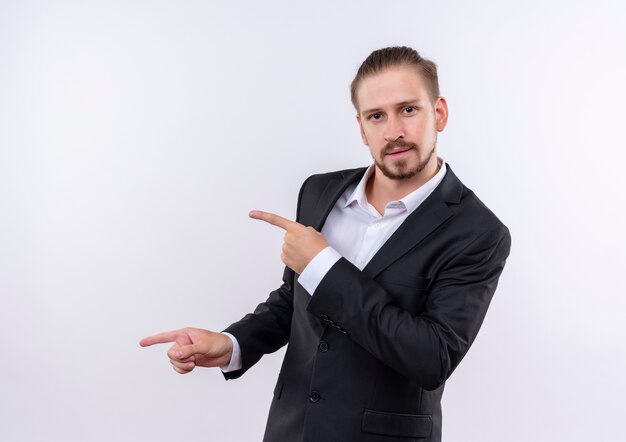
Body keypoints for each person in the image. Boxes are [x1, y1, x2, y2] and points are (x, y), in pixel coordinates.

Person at [140, 46, 511, 442]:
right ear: (361, 126)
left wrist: (323, 266)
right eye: (376, 116)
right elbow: (294, 300)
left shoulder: (478, 232)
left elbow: (431, 357)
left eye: (408, 110)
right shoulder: (319, 192)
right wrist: (231, 343)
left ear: (439, 113)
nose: (393, 131)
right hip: (291, 430)